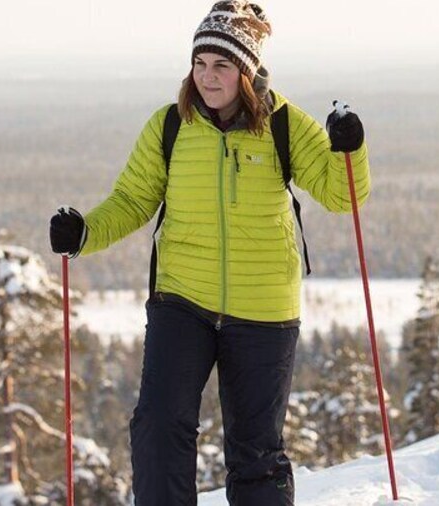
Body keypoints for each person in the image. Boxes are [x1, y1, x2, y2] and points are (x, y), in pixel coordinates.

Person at [50, 1, 370, 504]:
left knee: (256, 453)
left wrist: (348, 149)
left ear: (247, 70)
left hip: (263, 307)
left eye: (221, 64)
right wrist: (84, 232)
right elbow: (134, 200)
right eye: (199, 63)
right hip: (183, 298)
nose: (207, 76)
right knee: (158, 423)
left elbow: (342, 194)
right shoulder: (170, 126)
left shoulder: (282, 123)